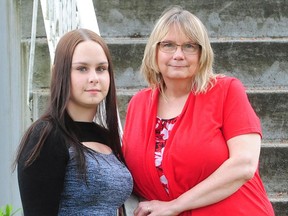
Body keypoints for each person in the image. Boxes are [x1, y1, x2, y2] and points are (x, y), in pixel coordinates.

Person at [122, 5, 274, 216]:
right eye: (168, 45)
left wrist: (175, 205)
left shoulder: (226, 91)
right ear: (154, 51)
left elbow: (244, 164)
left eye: (189, 46)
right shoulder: (138, 104)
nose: (178, 55)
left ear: (202, 53)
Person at [14, 28, 133, 215]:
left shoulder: (105, 136)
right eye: (82, 68)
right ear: (59, 73)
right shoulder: (46, 136)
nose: (94, 78)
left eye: (101, 68)